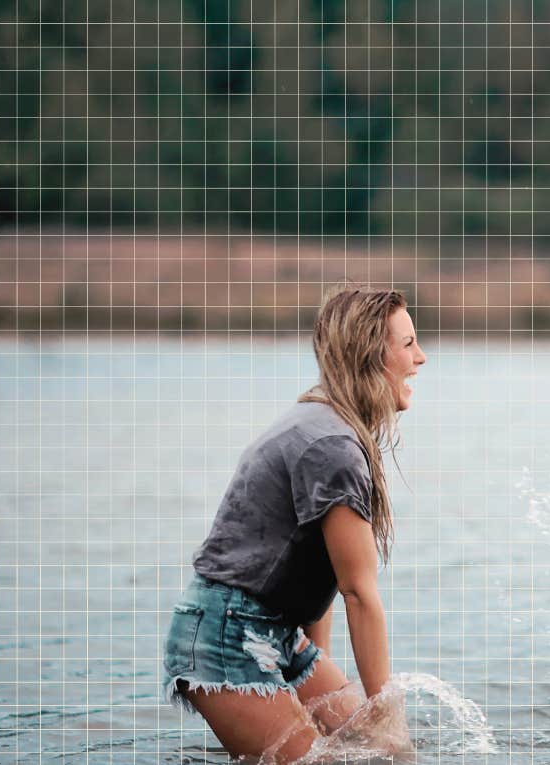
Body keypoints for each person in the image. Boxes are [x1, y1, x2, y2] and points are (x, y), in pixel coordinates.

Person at [163, 286, 424, 761]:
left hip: (276, 632)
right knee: (377, 748)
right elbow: (358, 593)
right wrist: (387, 715)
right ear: (370, 356)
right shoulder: (333, 448)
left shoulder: (326, 423)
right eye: (407, 344)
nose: (420, 358)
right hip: (226, 637)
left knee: (377, 755)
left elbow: (314, 569)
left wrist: (316, 680)